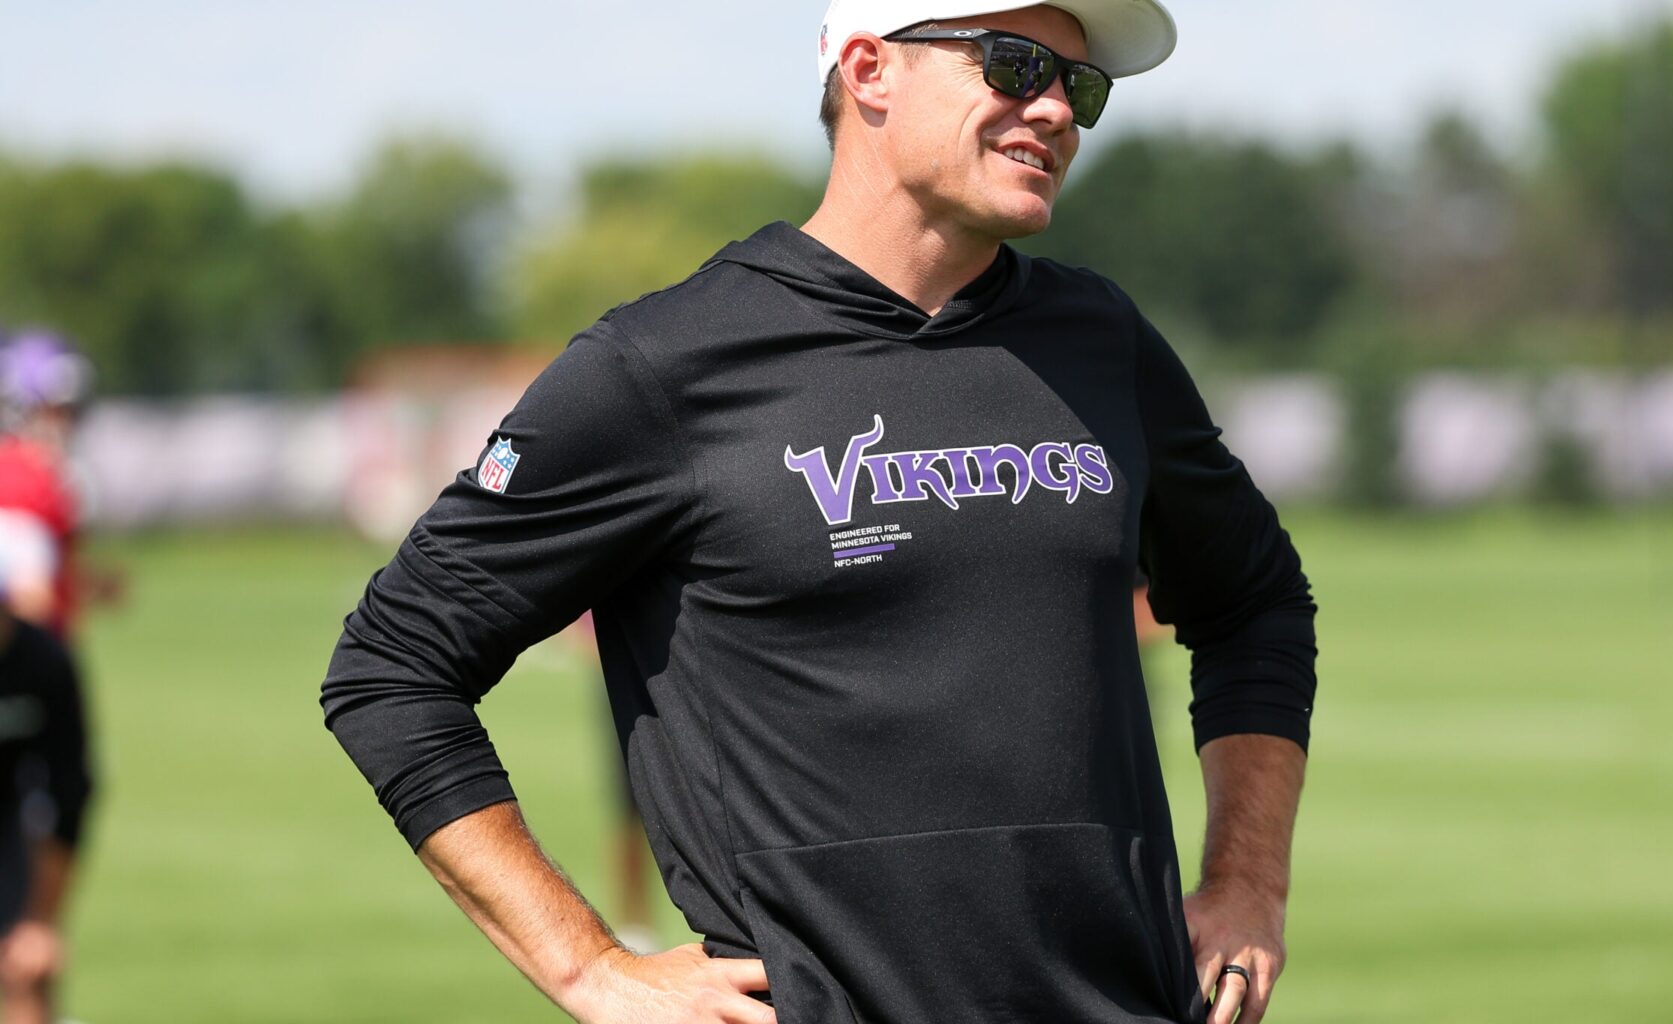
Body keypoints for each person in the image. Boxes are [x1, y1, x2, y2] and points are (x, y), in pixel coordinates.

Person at [321, 3, 1319, 1022]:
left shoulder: (1102, 341)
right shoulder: (660, 368)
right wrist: (588, 965)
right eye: (1017, 67)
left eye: (1081, 85)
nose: (1058, 109)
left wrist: (1251, 881)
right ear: (870, 70)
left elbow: (1258, 602)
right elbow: (394, 664)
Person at [0, 605, 93, 1024]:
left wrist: (41, 919)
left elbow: (69, 795)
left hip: (12, 825)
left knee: (26, 968)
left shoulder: (45, 660)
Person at [0, 331, 92, 638]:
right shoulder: (28, 480)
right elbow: (32, 596)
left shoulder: (55, 477)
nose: (65, 423)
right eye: (54, 410)